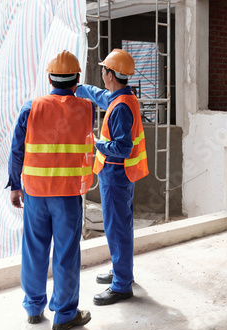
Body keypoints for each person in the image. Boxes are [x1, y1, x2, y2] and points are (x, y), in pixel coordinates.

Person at [7, 50, 94, 330]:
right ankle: (64, 314)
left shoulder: (30, 107)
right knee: (66, 252)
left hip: (35, 191)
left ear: (49, 77)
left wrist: (15, 186)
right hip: (67, 194)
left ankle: (34, 308)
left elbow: (17, 150)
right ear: (77, 79)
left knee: (34, 250)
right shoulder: (85, 108)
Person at [76, 48, 149, 306]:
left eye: (104, 70)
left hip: (116, 174)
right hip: (120, 174)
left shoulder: (120, 109)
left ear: (109, 74)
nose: (102, 74)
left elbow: (122, 147)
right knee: (120, 226)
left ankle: (121, 286)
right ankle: (122, 272)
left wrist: (97, 143)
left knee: (116, 228)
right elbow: (102, 96)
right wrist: (81, 88)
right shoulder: (124, 97)